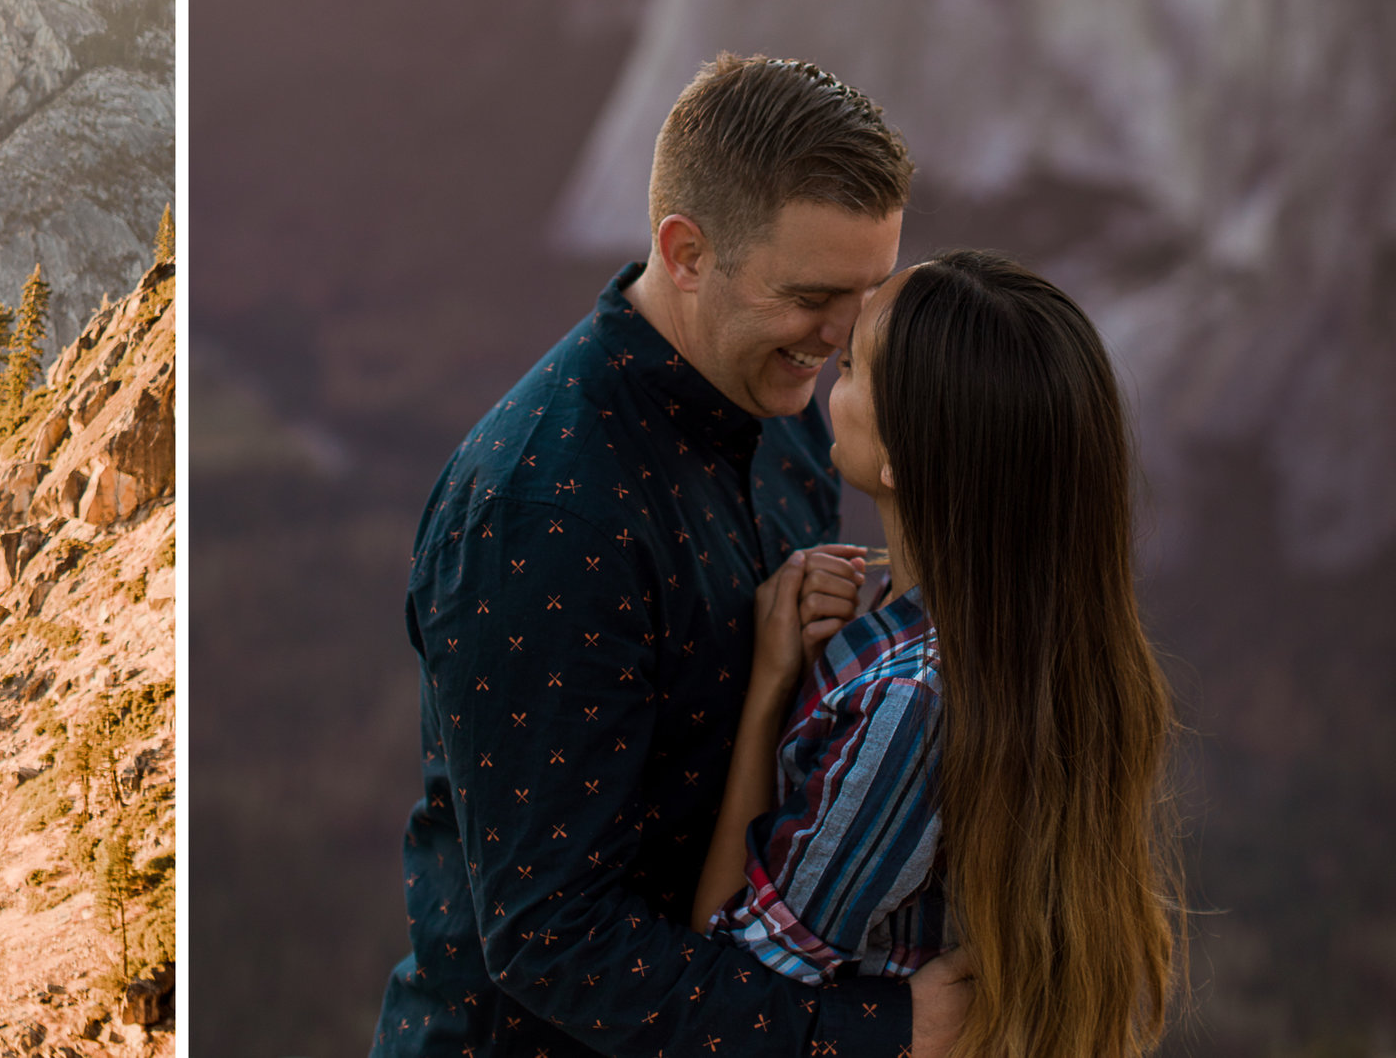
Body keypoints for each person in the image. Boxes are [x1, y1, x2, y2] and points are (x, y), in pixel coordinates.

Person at [371, 53, 970, 1058]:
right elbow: (553, 943)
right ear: (685, 252)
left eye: (867, 295)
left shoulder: (776, 416)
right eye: (812, 296)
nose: (845, 338)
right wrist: (885, 1032)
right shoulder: (548, 510)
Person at [692, 252, 1178, 1055]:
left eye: (852, 369)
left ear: (904, 457)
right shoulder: (1039, 647)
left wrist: (768, 691)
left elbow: (728, 984)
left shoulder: (910, 701)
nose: (829, 385)